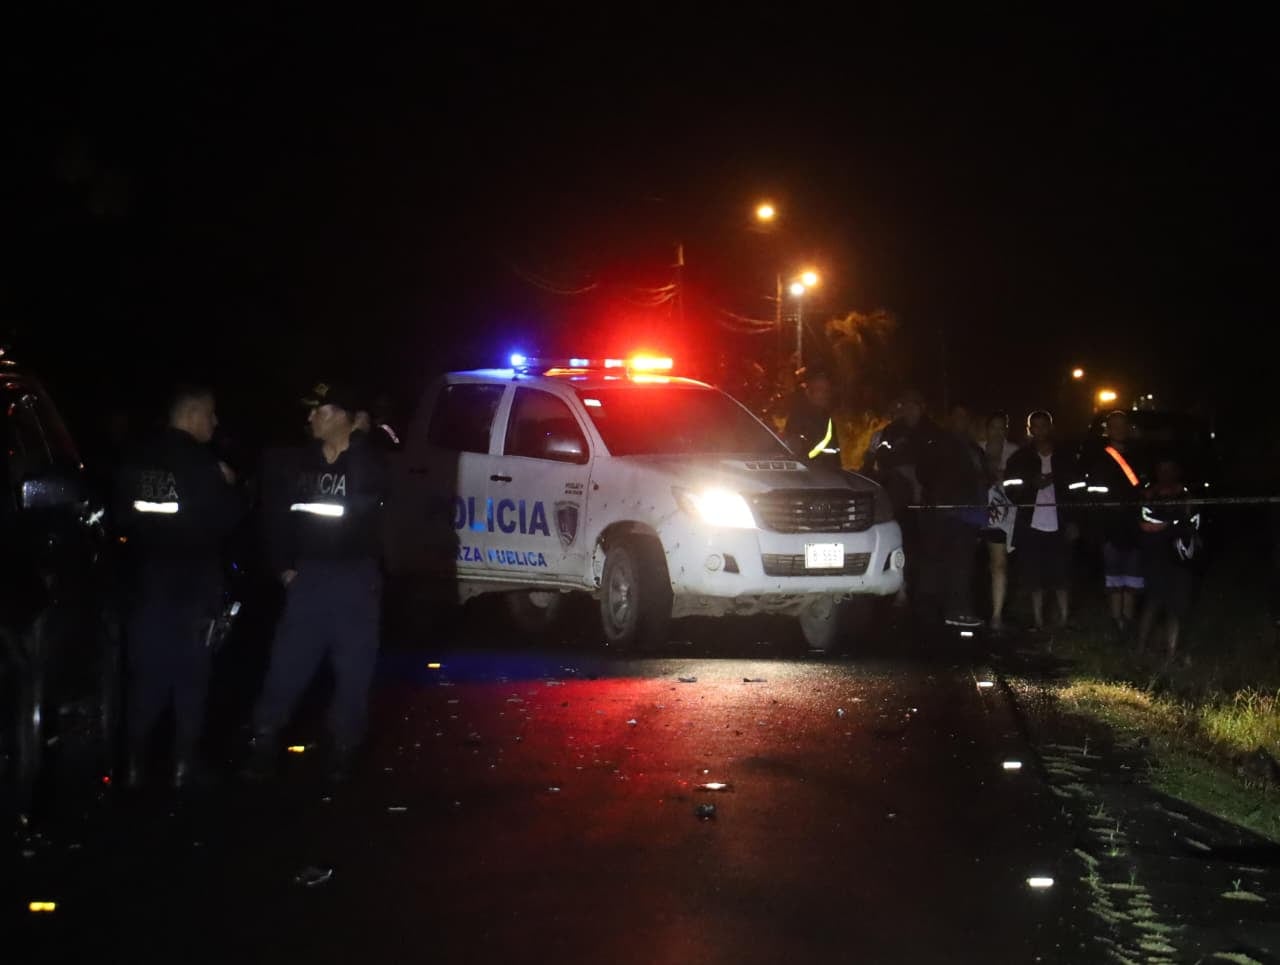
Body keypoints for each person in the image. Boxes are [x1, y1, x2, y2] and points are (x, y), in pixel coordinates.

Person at [246, 381, 387, 781]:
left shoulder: (369, 464)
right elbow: (275, 517)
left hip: (356, 579)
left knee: (354, 668)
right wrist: (285, 569)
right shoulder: (296, 464)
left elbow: (371, 498)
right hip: (309, 578)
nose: (310, 418)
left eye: (321, 411)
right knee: (287, 664)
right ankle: (263, 741)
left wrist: (356, 445)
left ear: (346, 418)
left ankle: (343, 749)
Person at [116, 385, 242, 787]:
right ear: (191, 414)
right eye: (211, 414)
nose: (215, 422)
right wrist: (231, 486)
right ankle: (184, 767)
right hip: (193, 587)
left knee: (147, 674)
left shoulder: (135, 459)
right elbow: (227, 521)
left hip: (147, 582)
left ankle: (133, 767)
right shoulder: (202, 464)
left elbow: (122, 516)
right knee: (191, 675)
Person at [1003, 410, 1083, 633]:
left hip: (1061, 522)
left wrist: (1074, 520)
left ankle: (1063, 619)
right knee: (1034, 575)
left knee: (1062, 573)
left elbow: (1078, 490)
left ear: (1051, 428)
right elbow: (1010, 487)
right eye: (1035, 426)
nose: (1040, 430)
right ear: (1030, 430)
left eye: (1044, 426)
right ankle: (1038, 621)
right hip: (1031, 524)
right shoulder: (1020, 458)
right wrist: (1031, 483)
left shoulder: (1066, 456)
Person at [863, 389, 940, 609]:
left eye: (913, 404)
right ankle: (902, 589)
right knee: (902, 544)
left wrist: (919, 481)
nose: (908, 409)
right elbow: (882, 459)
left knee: (927, 544)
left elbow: (937, 462)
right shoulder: (891, 431)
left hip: (929, 498)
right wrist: (904, 473)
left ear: (921, 407)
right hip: (899, 499)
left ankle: (928, 591)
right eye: (905, 404)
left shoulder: (932, 431)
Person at [918, 402, 988, 627]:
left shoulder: (973, 448)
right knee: (955, 564)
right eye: (957, 417)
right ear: (949, 419)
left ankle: (947, 610)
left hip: (970, 513)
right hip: (949, 513)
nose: (961, 421)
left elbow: (982, 479)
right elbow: (924, 473)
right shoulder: (939, 443)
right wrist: (940, 500)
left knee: (962, 563)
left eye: (965, 417)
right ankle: (956, 611)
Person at [1083, 411, 1147, 636]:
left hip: (1135, 527)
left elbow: (1146, 490)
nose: (1119, 429)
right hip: (1110, 528)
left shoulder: (1139, 456)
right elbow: (1093, 495)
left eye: (1123, 425)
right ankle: (1116, 620)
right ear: (1108, 430)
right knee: (1113, 576)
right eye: (1114, 425)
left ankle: (1128, 621)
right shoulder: (1099, 459)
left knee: (1133, 576)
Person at [1137, 458, 1200, 661]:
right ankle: (1140, 648)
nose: (1166, 474)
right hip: (1155, 558)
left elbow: (1193, 525)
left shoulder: (1186, 495)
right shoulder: (1149, 495)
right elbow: (1147, 525)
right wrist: (1173, 524)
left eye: (1170, 469)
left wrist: (1170, 525)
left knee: (1177, 607)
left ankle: (1171, 653)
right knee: (1152, 603)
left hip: (1181, 560)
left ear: (1177, 472)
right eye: (1162, 469)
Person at [980, 412, 1020, 632]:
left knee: (999, 563)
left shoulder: (1014, 452)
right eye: (993, 427)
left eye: (1001, 427)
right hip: (976, 513)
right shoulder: (976, 449)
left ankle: (997, 614)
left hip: (1002, 516)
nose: (998, 431)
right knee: (975, 563)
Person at [783, 369, 841, 471]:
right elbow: (794, 450)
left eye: (827, 391)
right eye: (819, 390)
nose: (824, 395)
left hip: (829, 475)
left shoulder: (827, 418)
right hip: (807, 475)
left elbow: (834, 452)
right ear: (809, 393)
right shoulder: (798, 418)